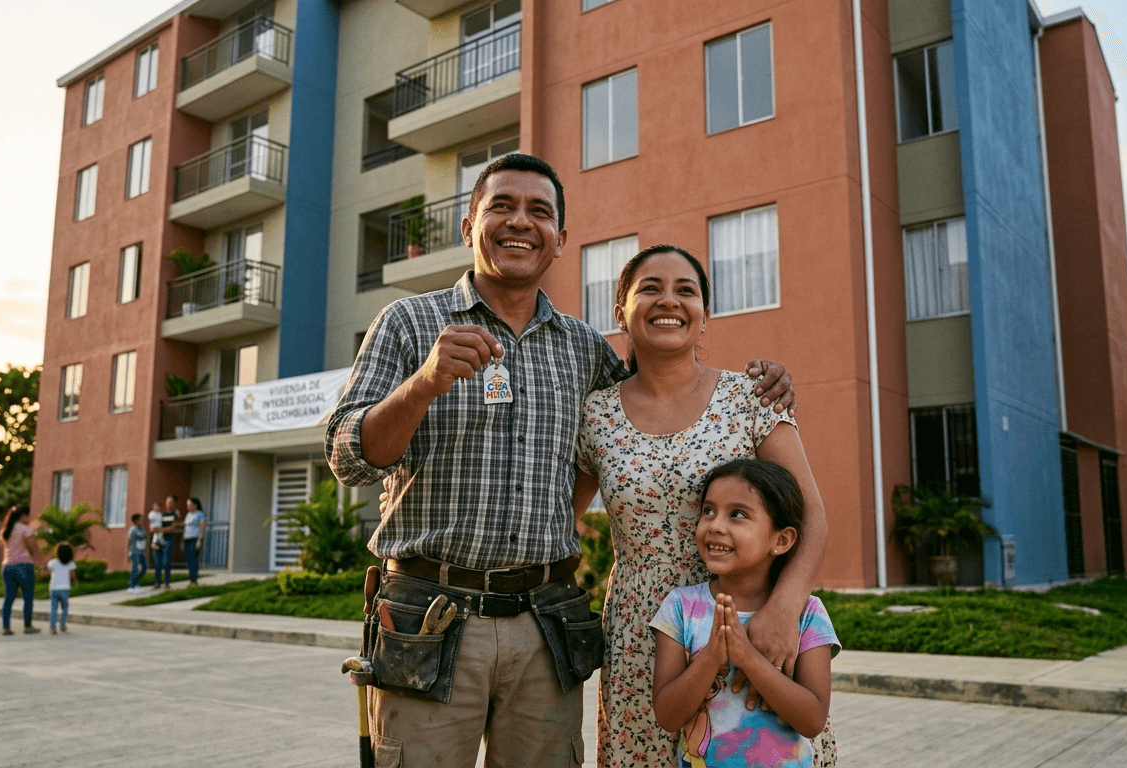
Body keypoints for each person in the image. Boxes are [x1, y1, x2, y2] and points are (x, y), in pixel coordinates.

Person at [327, 153, 795, 767]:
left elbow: (656, 403)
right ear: (469, 226)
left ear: (560, 238)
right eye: (501, 206)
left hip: (544, 625)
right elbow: (348, 459)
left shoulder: (584, 349)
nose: (521, 222)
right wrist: (423, 384)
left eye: (539, 211)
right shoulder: (408, 324)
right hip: (429, 616)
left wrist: (765, 382)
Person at [573, 245, 833, 767]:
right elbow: (561, 522)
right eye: (650, 288)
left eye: (685, 290)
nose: (668, 301)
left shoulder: (751, 397)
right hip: (639, 636)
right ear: (621, 311)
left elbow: (810, 518)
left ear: (705, 315)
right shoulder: (595, 414)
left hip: (749, 625)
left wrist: (783, 610)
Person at [651, 460, 838, 768]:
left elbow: (812, 720)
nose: (715, 525)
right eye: (709, 511)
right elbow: (667, 716)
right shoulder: (680, 607)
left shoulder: (808, 614)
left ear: (781, 540)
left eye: (737, 514)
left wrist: (748, 658)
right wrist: (712, 658)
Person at [0, 505, 42, 636]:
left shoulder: (6, 530)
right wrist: (41, 564)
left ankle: (6, 627)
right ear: (22, 516)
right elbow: (34, 548)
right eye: (27, 516)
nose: (29, 518)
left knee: (8, 599)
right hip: (24, 566)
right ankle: (28, 626)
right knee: (28, 598)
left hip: (7, 567)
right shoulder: (25, 529)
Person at [46, 542, 79, 635]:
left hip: (54, 589)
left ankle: (52, 627)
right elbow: (72, 574)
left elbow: (47, 570)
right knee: (64, 608)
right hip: (65, 589)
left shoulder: (53, 562)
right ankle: (62, 625)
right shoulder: (71, 564)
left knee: (54, 608)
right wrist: (76, 581)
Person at [153, 496, 180, 591]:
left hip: (169, 539)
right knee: (157, 562)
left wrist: (161, 530)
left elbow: (173, 527)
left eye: (171, 502)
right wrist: (155, 529)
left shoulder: (175, 514)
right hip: (159, 539)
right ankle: (157, 582)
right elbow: (154, 525)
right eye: (167, 502)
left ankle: (167, 583)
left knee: (166, 561)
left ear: (174, 504)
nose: (169, 504)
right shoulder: (161, 514)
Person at [182, 497, 207, 588]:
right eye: (187, 505)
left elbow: (202, 527)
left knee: (193, 559)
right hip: (186, 539)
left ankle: (194, 580)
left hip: (195, 539)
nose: (188, 507)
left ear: (195, 505)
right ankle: (191, 579)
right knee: (188, 560)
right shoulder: (188, 515)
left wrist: (199, 540)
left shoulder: (200, 514)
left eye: (189, 505)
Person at [127, 514, 149, 594]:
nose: (141, 521)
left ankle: (133, 583)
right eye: (140, 520)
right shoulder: (132, 530)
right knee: (135, 569)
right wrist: (129, 552)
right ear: (135, 521)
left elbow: (146, 541)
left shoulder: (143, 530)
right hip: (135, 552)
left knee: (144, 569)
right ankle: (133, 586)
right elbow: (129, 541)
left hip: (142, 552)